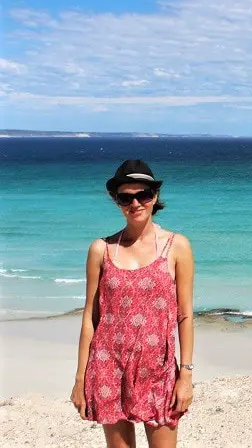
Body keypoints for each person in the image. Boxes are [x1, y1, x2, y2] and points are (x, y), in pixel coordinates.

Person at [70, 159, 195, 448]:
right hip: (107, 366)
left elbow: (185, 315)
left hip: (159, 369)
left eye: (143, 195)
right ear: (117, 201)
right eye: (126, 197)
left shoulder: (177, 246)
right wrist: (80, 379)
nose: (135, 203)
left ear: (155, 197)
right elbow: (91, 317)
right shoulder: (101, 249)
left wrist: (185, 375)